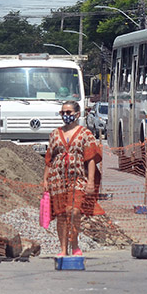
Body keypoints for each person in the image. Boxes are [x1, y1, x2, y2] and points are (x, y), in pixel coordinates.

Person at [42, 100, 103, 257]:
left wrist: (90, 181)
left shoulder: (85, 134)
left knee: (74, 211)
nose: (65, 116)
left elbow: (90, 158)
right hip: (57, 179)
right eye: (63, 113)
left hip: (78, 178)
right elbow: (49, 159)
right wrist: (45, 180)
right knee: (61, 214)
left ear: (77, 114)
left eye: (68, 112)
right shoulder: (55, 134)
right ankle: (63, 249)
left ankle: (74, 244)